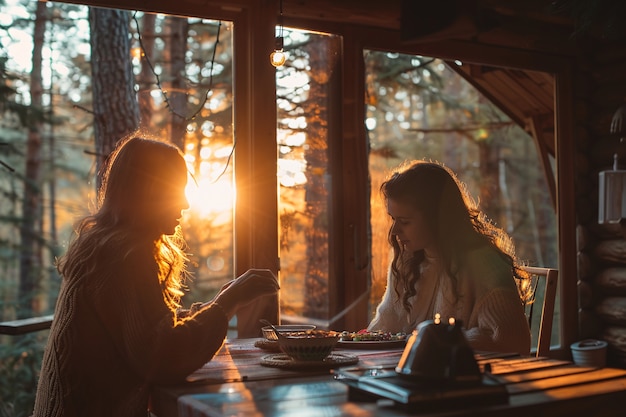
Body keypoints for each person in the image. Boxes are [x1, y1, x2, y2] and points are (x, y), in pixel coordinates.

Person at [32, 136, 280, 417]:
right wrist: (228, 303)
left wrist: (218, 304)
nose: (186, 203)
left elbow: (147, 331)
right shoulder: (125, 255)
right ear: (149, 191)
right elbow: (162, 356)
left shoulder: (103, 244)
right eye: (177, 190)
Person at [368, 160, 532, 355]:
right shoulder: (407, 261)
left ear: (437, 217)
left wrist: (437, 338)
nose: (395, 231)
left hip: (470, 379)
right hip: (418, 376)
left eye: (405, 221)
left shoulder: (485, 266)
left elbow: (513, 341)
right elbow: (387, 323)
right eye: (393, 219)